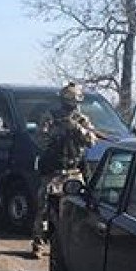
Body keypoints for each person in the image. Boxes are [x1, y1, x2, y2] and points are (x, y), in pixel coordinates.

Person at [30, 82, 97, 259]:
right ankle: (39, 242)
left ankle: (76, 245)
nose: (73, 105)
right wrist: (57, 132)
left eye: (75, 102)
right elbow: (40, 140)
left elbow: (92, 141)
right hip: (54, 171)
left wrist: (77, 129)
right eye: (71, 101)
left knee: (80, 208)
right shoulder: (50, 117)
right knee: (44, 207)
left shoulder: (81, 119)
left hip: (74, 170)